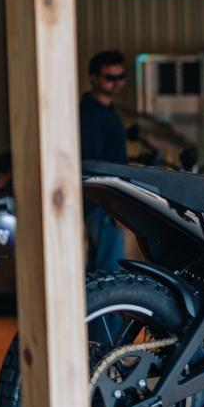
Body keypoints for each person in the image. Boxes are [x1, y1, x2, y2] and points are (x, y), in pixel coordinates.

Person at [81, 50, 128, 273]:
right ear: (94, 79)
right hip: (103, 204)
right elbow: (95, 166)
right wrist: (115, 206)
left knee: (99, 272)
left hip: (105, 202)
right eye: (110, 77)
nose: (117, 83)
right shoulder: (90, 115)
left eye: (121, 77)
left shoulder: (107, 111)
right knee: (110, 273)